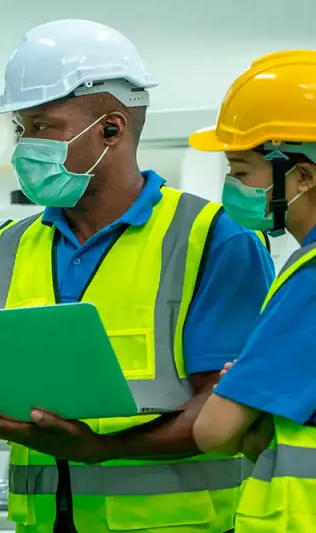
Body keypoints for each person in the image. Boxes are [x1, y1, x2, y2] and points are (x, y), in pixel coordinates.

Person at [0, 20, 276, 533]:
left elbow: (228, 407)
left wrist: (98, 450)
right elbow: (1, 384)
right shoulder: (6, 250)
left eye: (42, 126)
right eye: (21, 128)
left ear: (112, 128)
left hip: (174, 524)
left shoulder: (214, 237)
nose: (24, 147)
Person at [192, 50, 316, 532]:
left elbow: (215, 432)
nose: (231, 185)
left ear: (303, 176)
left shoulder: (308, 279)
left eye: (242, 172)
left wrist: (238, 395)